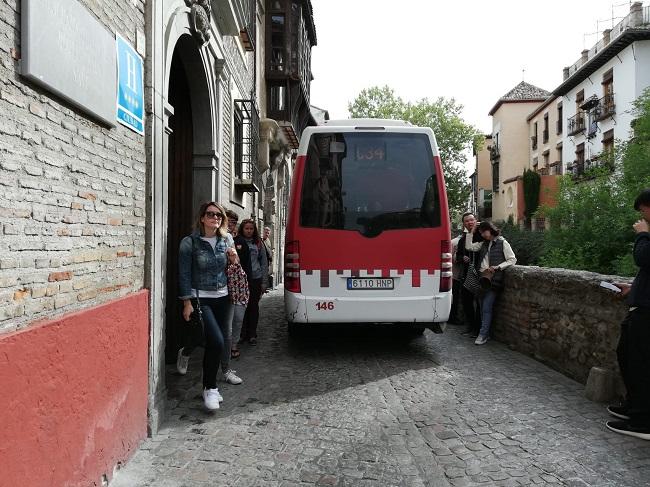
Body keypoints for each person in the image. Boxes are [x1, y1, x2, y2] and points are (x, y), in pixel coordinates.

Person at [177, 202, 237, 410]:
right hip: (200, 297)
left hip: (224, 297)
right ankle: (210, 388)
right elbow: (184, 274)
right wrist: (187, 302)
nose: (215, 218)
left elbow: (233, 267)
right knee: (217, 342)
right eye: (210, 214)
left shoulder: (227, 239)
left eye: (219, 215)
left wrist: (233, 259)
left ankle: (208, 387)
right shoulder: (189, 242)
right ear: (202, 218)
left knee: (215, 342)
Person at [606, 189, 650, 440]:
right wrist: (633, 288)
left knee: (641, 364)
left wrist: (643, 235)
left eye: (642, 210)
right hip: (641, 306)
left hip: (647, 312)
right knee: (628, 356)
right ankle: (634, 408)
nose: (641, 217)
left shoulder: (647, 234)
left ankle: (643, 421)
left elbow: (643, 258)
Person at [465, 220, 517, 345]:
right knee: (482, 308)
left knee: (486, 308)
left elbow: (512, 259)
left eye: (484, 232)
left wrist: (498, 266)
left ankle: (483, 335)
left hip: (494, 281)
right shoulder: (483, 244)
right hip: (482, 280)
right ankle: (485, 334)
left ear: (491, 229)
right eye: (481, 233)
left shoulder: (502, 242)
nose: (483, 235)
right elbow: (469, 247)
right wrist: (471, 232)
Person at [235, 219, 268, 345]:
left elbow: (264, 263)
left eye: (251, 229)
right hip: (241, 279)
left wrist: (264, 282)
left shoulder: (258, 243)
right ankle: (242, 334)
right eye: (246, 228)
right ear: (242, 229)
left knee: (253, 306)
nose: (249, 231)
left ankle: (252, 334)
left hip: (255, 278)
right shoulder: (237, 241)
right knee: (241, 307)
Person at [456, 212, 483, 336]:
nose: (470, 222)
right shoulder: (463, 239)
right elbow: (458, 257)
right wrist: (463, 258)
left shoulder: (482, 236)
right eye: (467, 221)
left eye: (471, 220)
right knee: (467, 301)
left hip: (480, 273)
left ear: (476, 220)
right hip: (467, 274)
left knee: (479, 303)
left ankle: (478, 329)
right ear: (464, 224)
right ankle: (471, 326)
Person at [448, 233, 462, 325]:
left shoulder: (452, 241)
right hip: (456, 275)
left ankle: (450, 316)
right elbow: (454, 259)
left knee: (453, 297)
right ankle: (452, 317)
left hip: (452, 274)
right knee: (455, 297)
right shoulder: (457, 243)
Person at [262, 226, 274, 291]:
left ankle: (266, 287)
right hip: (263, 260)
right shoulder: (261, 240)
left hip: (267, 260)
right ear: (263, 232)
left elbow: (269, 249)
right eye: (266, 232)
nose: (267, 234)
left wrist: (271, 259)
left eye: (268, 233)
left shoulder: (268, 240)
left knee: (266, 273)